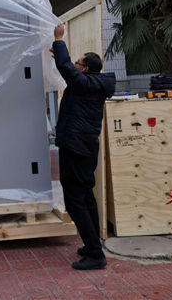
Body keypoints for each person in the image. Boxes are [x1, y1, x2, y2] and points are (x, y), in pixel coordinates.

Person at [51, 23, 115, 270]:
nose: (75, 65)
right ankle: (92, 245)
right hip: (85, 147)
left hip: (76, 148)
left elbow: (66, 68)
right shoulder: (92, 84)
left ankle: (96, 254)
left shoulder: (85, 84)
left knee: (75, 199)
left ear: (85, 68)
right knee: (86, 196)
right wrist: (59, 55)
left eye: (78, 62)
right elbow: (68, 68)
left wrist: (59, 40)